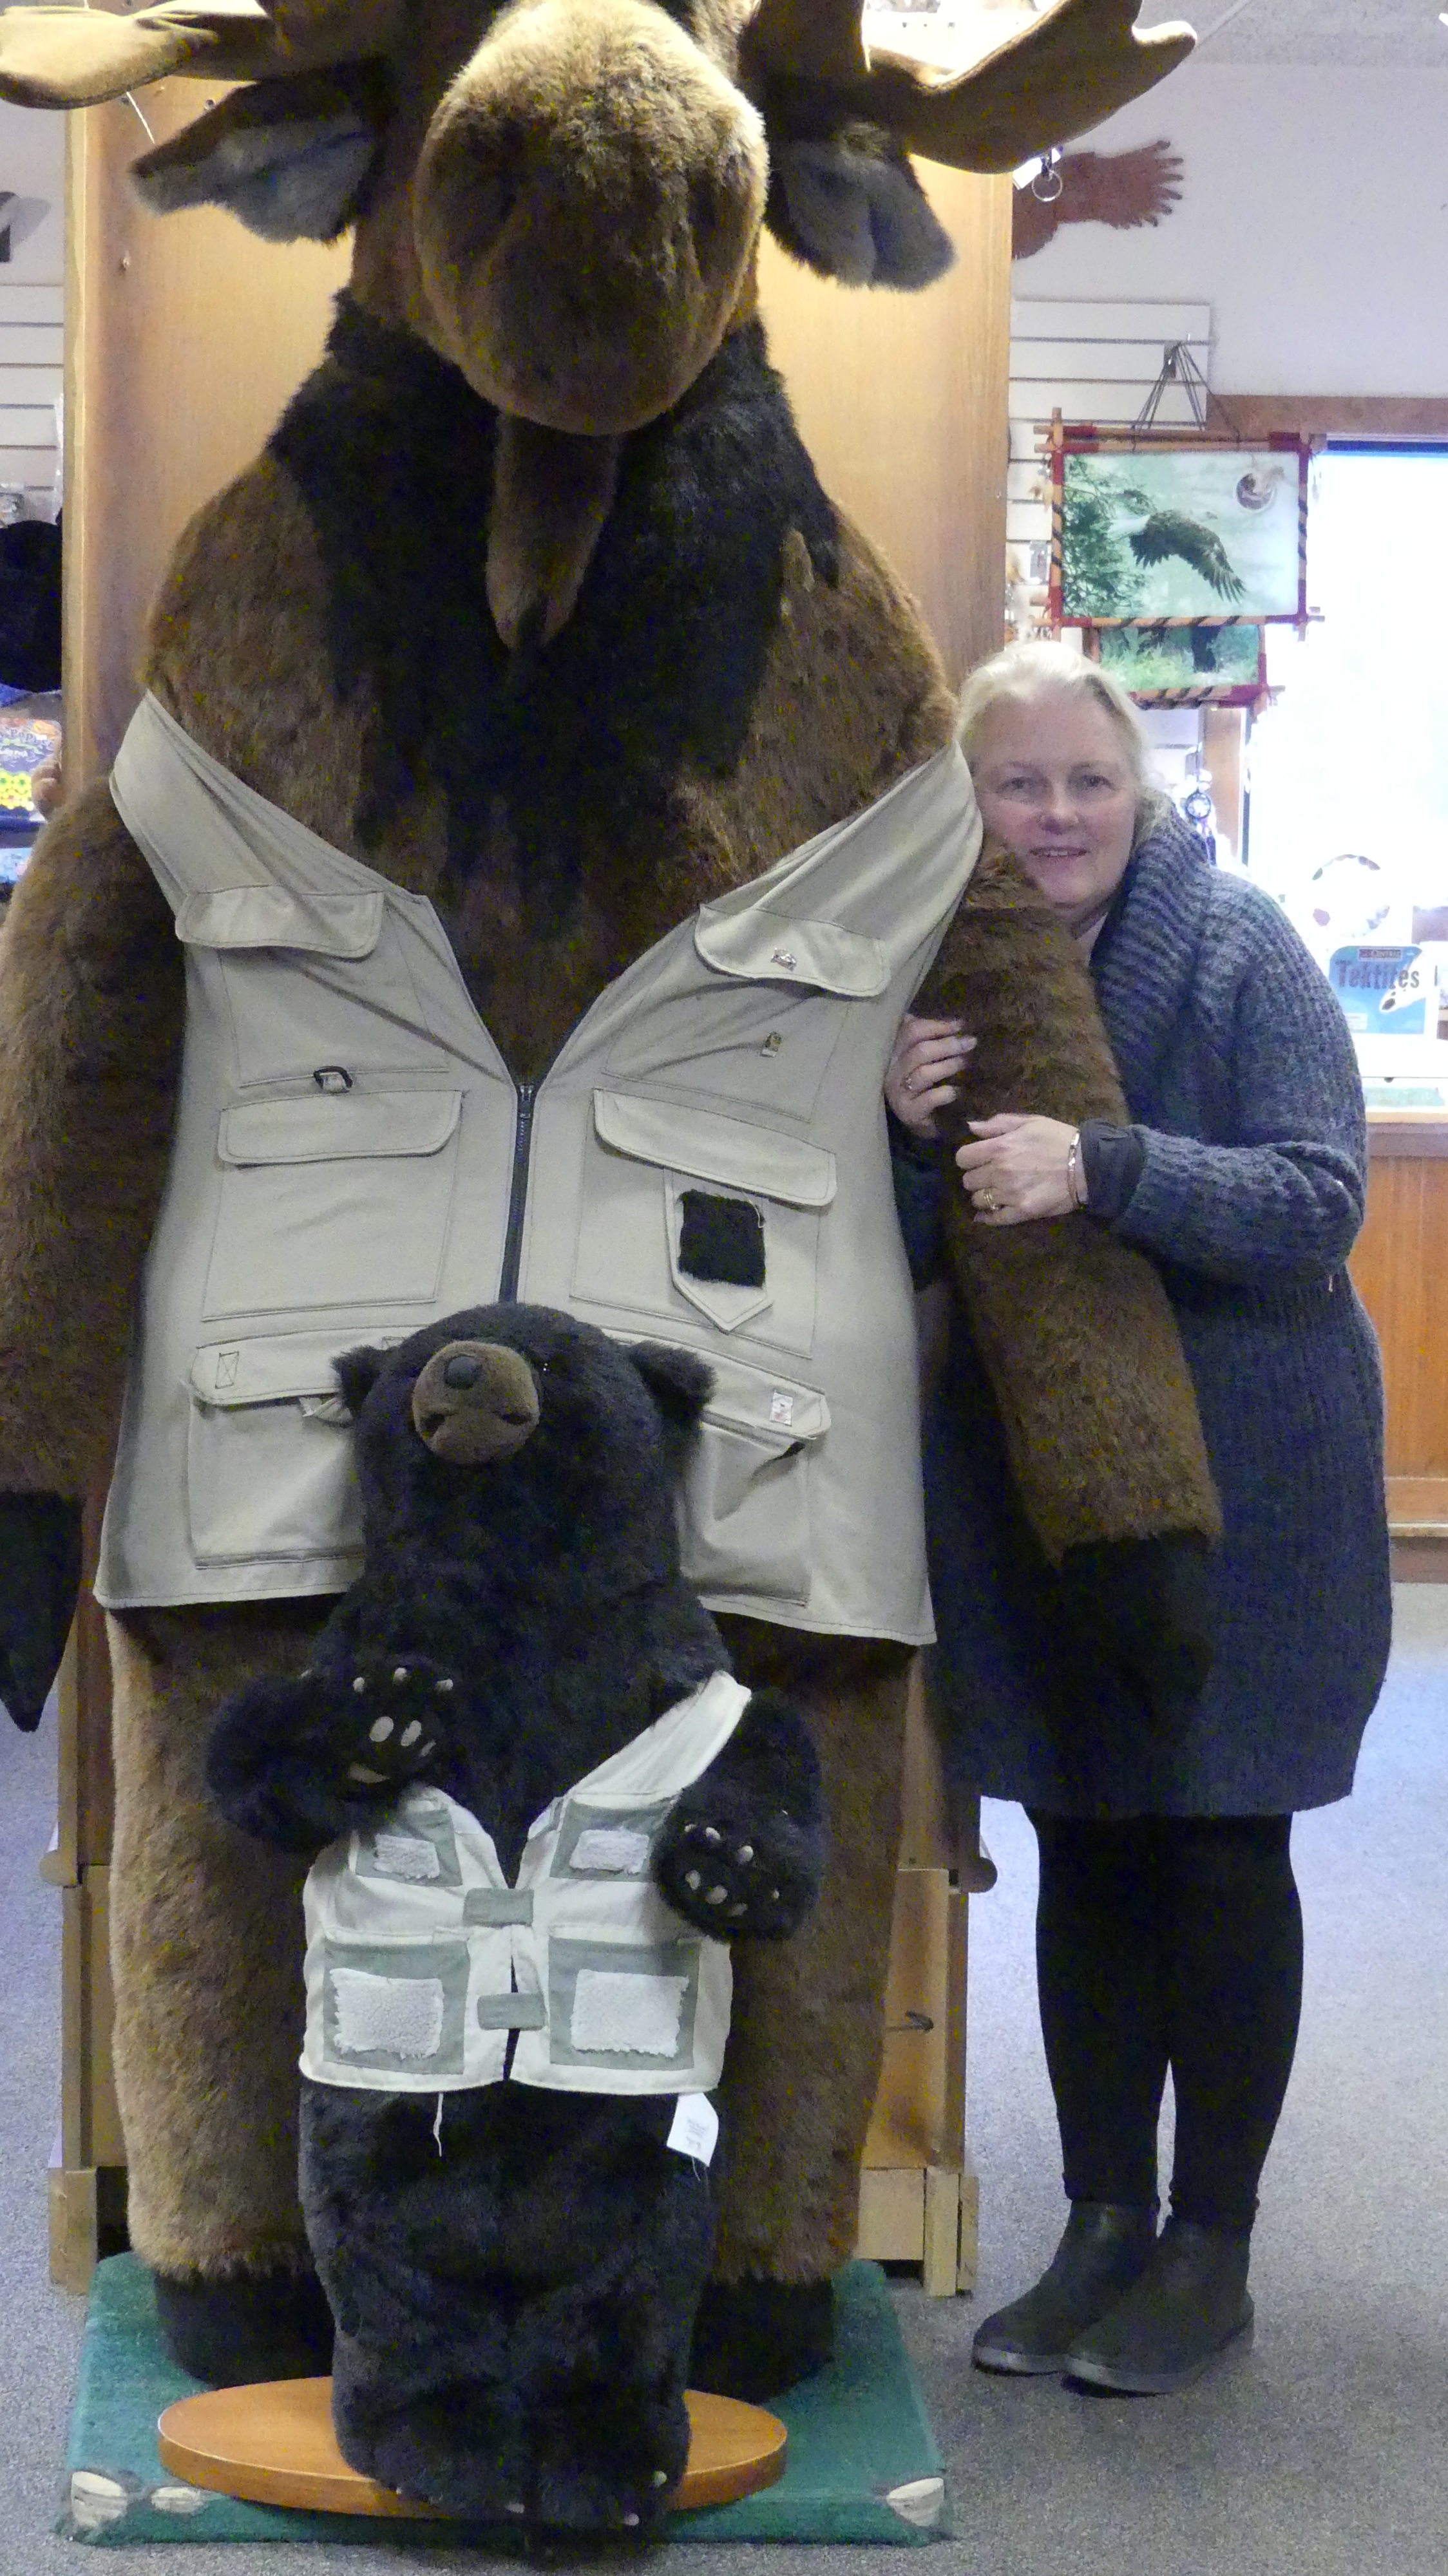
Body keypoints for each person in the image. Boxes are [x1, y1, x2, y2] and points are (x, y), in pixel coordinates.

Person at [886, 641, 1391, 2396]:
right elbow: (895, 1247)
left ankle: (1209, 2251)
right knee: (1089, 1839)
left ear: (1139, 793)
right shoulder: (940, 971)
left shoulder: (1237, 943)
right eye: (1016, 783)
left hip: (1258, 1478)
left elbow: (1319, 1197)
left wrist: (1107, 1166)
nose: (1055, 815)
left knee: (1220, 1843)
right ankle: (1102, 2224)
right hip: (1040, 1483)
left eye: (1088, 781)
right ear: (967, 803)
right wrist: (898, 1132)